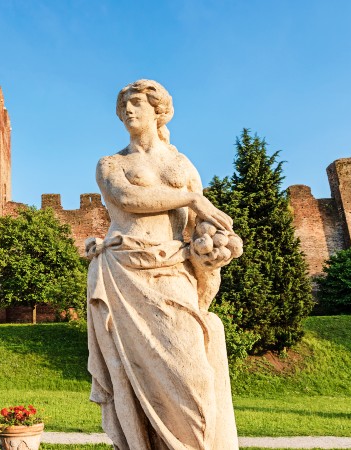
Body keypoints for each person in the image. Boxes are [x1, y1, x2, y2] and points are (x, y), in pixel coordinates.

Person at [86, 79, 242, 450]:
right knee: (133, 376)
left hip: (172, 269)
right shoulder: (111, 164)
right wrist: (193, 198)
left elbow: (197, 226)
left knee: (192, 371)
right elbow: (128, 197)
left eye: (137, 103)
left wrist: (213, 250)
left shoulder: (180, 163)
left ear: (159, 110)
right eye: (123, 104)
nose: (128, 110)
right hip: (123, 270)